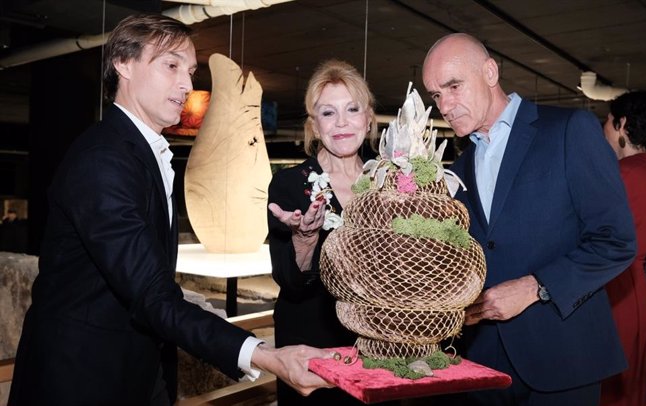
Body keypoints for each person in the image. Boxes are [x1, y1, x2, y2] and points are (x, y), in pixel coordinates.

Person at [9, 14, 333, 405]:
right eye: (171, 65)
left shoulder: (140, 151)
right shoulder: (102, 160)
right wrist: (265, 354)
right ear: (123, 64)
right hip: (82, 380)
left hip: (140, 372)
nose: (187, 84)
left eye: (192, 71)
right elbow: (152, 294)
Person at [421, 33, 636, 405]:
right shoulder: (457, 170)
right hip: (485, 361)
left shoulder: (569, 130)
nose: (445, 104)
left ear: (490, 72)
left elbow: (615, 240)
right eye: (436, 95)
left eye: (453, 86)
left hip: (564, 356)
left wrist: (536, 287)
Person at [267, 59, 381, 405]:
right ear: (314, 126)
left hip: (378, 342)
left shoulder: (388, 181)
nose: (342, 122)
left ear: (369, 119)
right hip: (312, 343)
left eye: (352, 109)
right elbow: (289, 280)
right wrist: (305, 238)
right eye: (328, 113)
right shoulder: (290, 184)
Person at [598, 90, 646, 406]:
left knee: (609, 388)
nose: (604, 130)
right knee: (629, 386)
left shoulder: (622, 174)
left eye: (608, 122)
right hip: (635, 289)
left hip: (614, 290)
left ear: (622, 124)